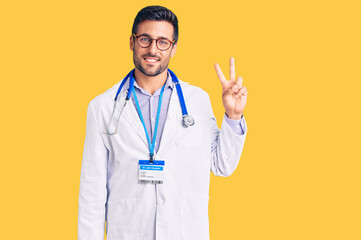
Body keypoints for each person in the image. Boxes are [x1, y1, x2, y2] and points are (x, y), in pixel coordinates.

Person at [78, 5, 248, 240]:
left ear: (173, 47)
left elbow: (222, 165)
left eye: (162, 42)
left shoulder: (196, 100)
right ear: (132, 42)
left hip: (185, 232)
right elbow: (91, 193)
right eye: (145, 39)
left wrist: (233, 116)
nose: (153, 49)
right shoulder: (103, 107)